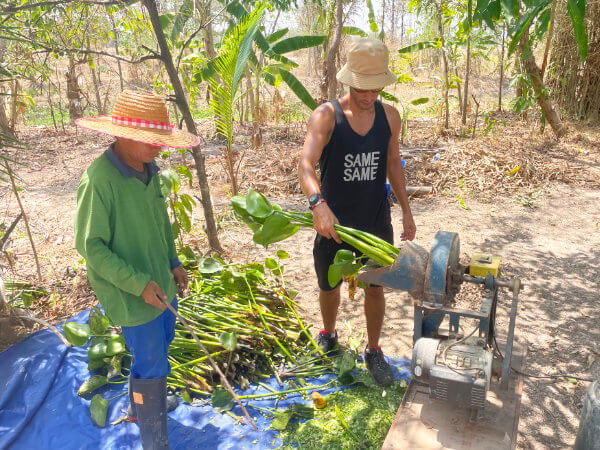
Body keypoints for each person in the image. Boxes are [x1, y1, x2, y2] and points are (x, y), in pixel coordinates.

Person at [74, 90, 199, 449]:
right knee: (152, 361)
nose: (158, 149)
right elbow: (91, 247)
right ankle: (153, 436)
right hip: (132, 292)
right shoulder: (99, 181)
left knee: (161, 346)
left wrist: (173, 262)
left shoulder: (150, 170)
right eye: (151, 141)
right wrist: (138, 283)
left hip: (160, 282)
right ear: (122, 135)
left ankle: (140, 403)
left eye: (162, 142)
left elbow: (160, 222)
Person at [298, 38, 416, 387]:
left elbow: (394, 164)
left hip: (375, 220)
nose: (368, 96)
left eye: (375, 88)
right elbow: (305, 164)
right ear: (348, 80)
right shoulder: (327, 116)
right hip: (334, 223)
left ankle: (374, 349)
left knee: (376, 286)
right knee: (329, 283)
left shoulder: (390, 117)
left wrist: (407, 211)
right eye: (361, 88)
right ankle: (329, 335)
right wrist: (318, 205)